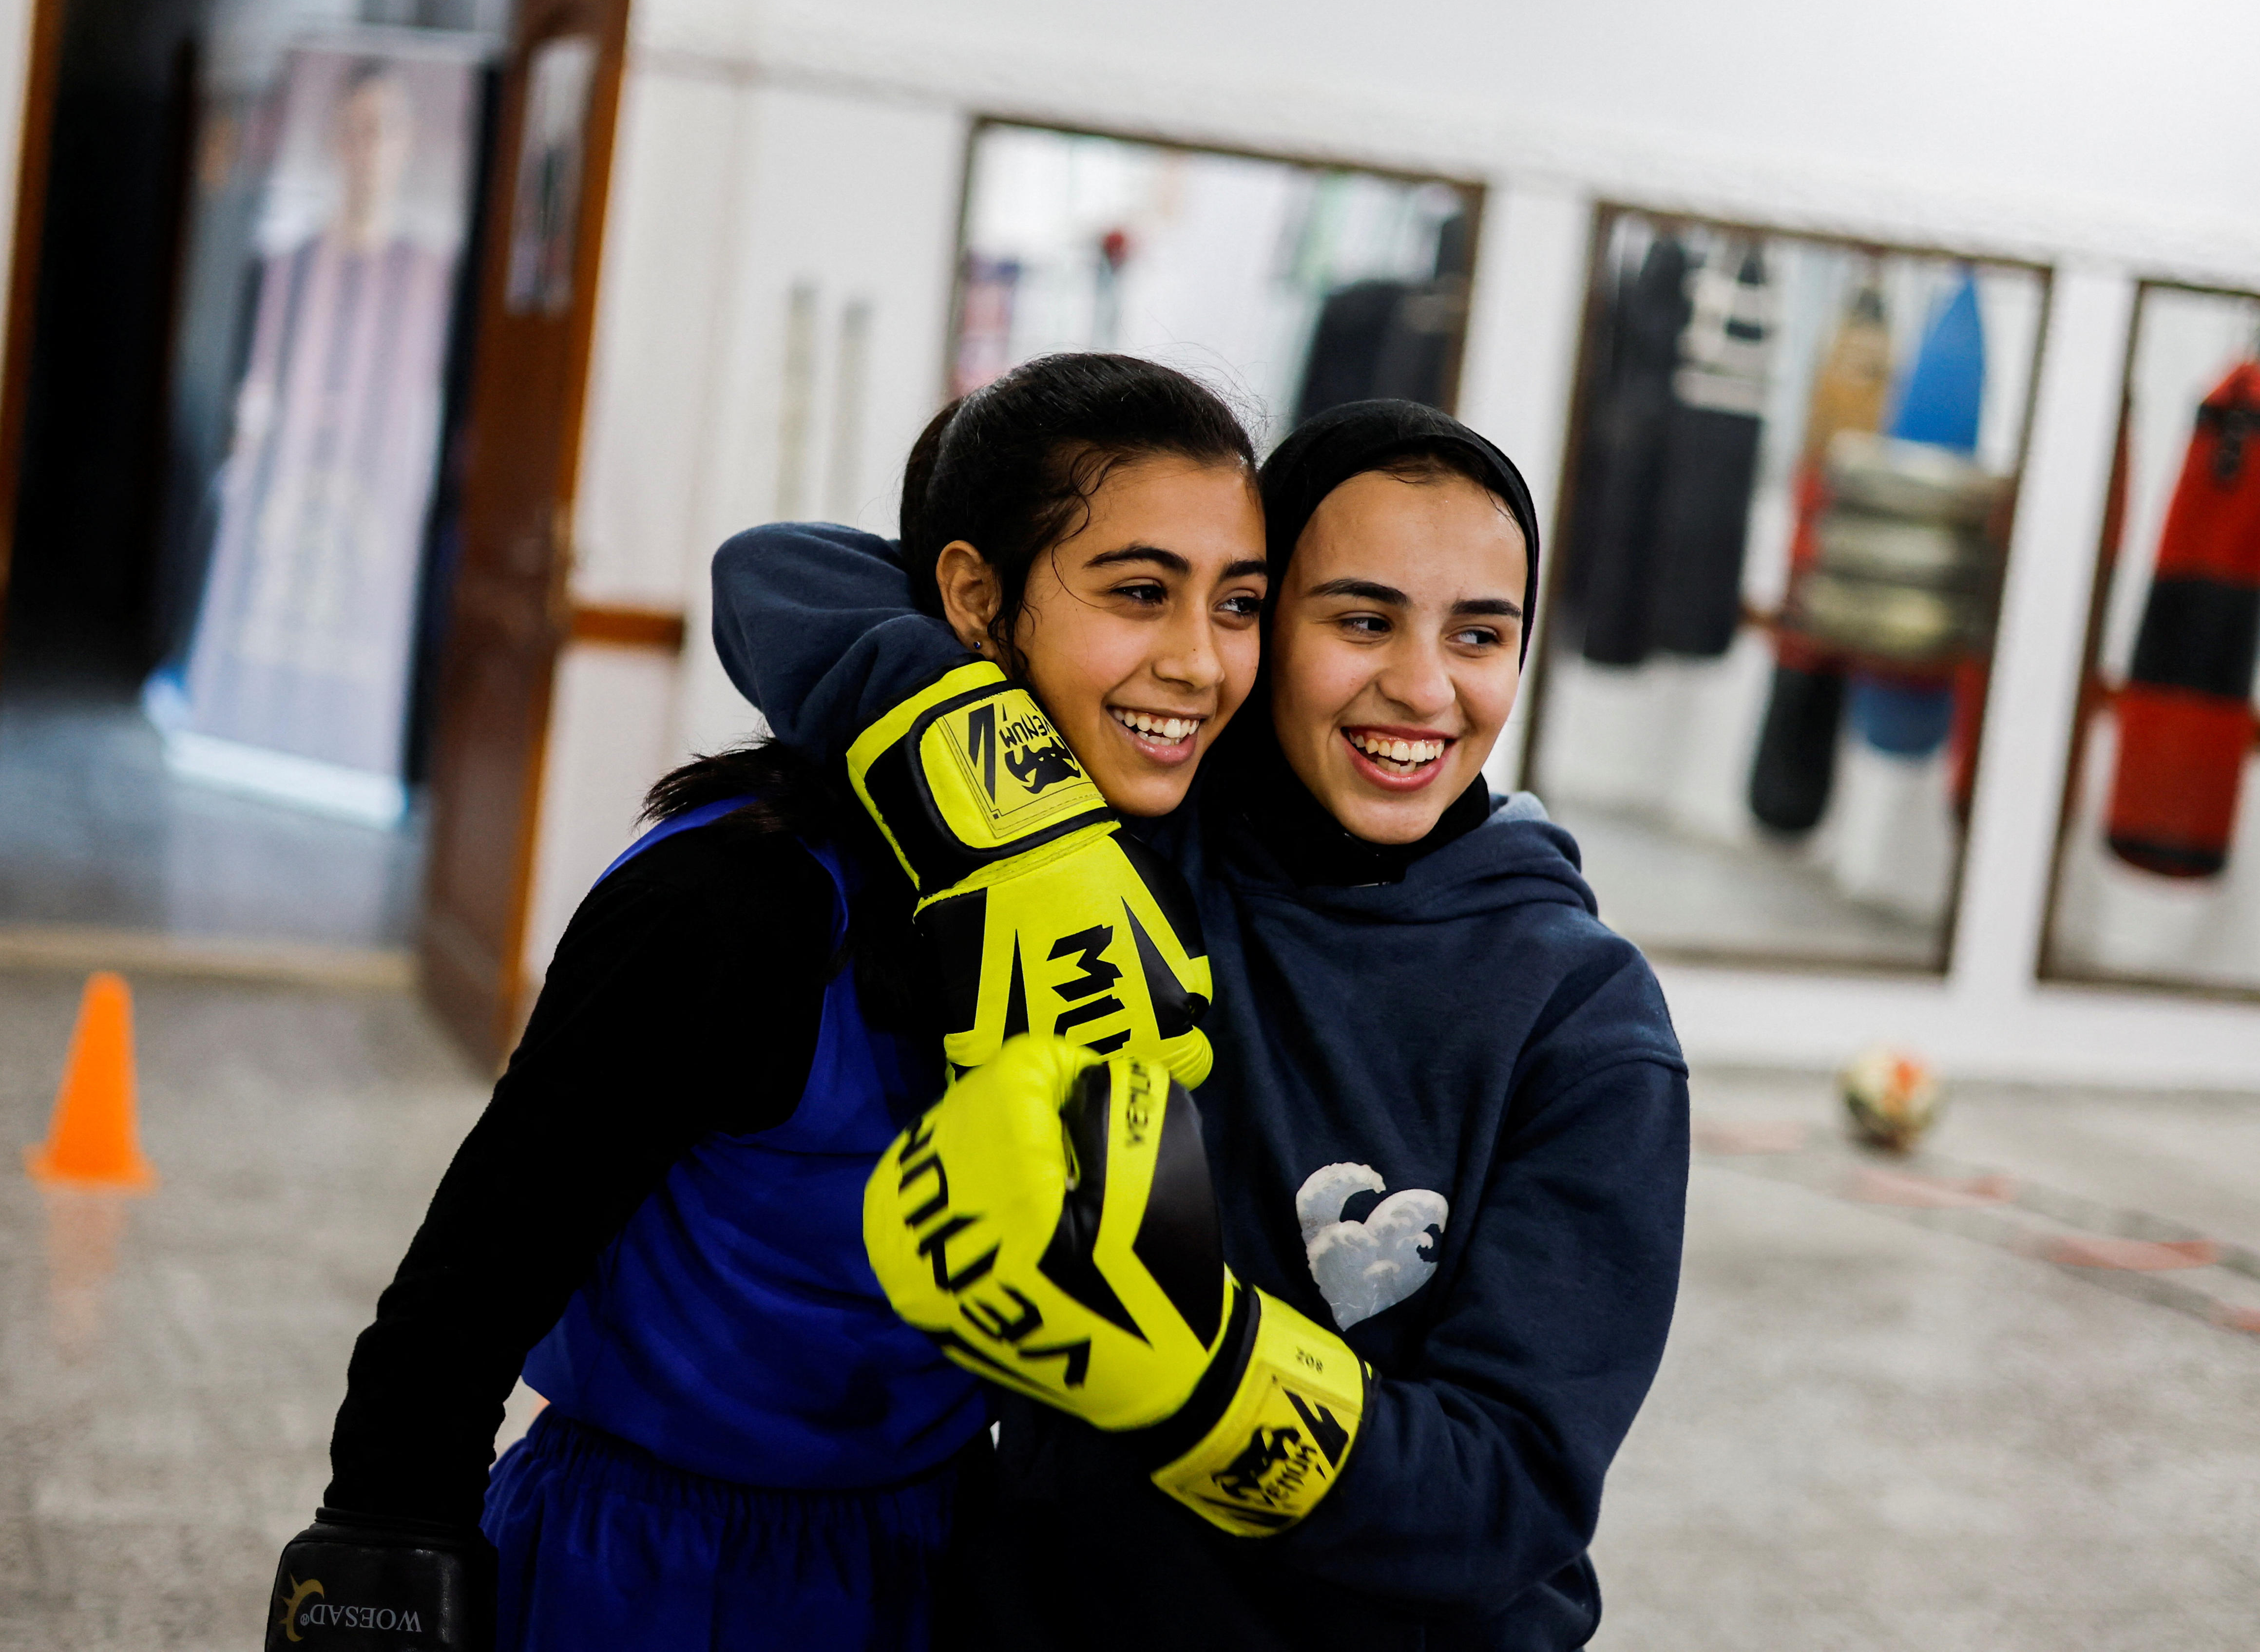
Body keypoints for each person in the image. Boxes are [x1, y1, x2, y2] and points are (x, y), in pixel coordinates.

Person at [263, 353, 1271, 1651]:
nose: (1197, 661)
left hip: (930, 1554)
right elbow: (474, 1273)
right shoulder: (747, 894)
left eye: (1237, 605)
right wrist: (384, 1555)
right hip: (652, 1568)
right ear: (972, 596)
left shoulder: (1140, 880)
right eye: (1140, 592)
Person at [710, 396, 1689, 1651]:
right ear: (1261, 623)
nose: (1422, 686)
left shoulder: (1583, 1014)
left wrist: (1204, 1381)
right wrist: (1013, 828)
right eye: (1361, 619)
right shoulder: (1144, 836)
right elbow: (780, 572)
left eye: (1481, 634)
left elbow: (1508, 1494)